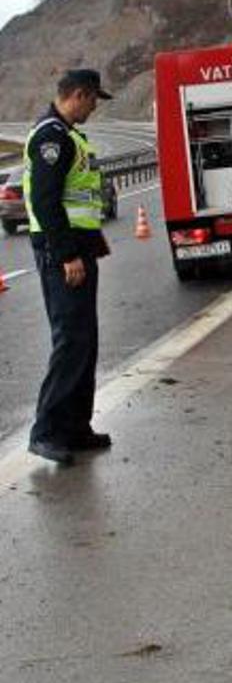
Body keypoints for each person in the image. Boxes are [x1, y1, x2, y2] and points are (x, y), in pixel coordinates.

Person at [24, 69, 114, 465]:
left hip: (79, 248)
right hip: (61, 254)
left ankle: (76, 426)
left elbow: (78, 200)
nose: (95, 107)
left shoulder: (69, 136)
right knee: (71, 340)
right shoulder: (52, 137)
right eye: (94, 99)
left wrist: (92, 242)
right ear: (78, 94)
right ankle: (46, 431)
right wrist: (67, 255)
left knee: (85, 341)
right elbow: (45, 202)